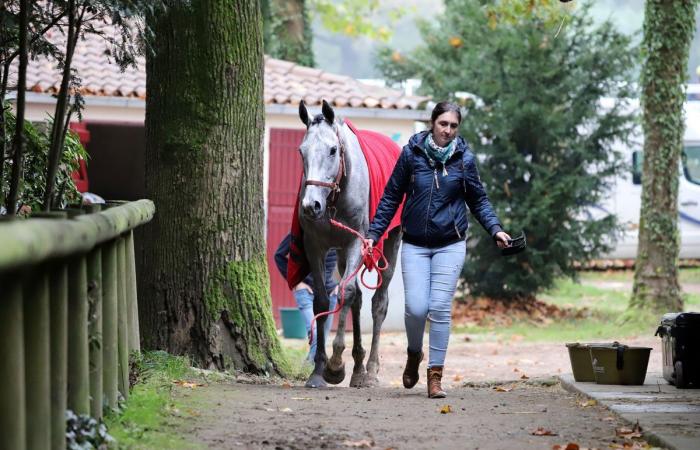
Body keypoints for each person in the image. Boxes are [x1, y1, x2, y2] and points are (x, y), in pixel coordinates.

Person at [364, 102, 511, 398]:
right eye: (443, 123)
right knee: (416, 308)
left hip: (450, 243)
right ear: (432, 123)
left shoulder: (464, 159)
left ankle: (435, 376)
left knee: (440, 308)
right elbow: (391, 196)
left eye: (453, 126)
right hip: (415, 244)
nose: (447, 130)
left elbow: (478, 200)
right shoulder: (411, 153)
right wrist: (373, 234)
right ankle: (414, 353)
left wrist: (495, 229)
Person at [274, 233, 339, 362]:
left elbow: (349, 257)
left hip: (329, 293)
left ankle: (308, 368)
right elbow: (279, 256)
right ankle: (313, 372)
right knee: (316, 335)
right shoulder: (303, 230)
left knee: (322, 339)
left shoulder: (338, 231)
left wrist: (339, 283)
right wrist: (296, 282)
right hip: (306, 290)